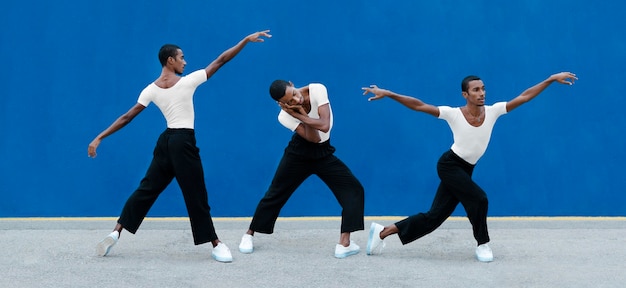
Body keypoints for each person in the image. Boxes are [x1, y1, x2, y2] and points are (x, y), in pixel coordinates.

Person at [87, 30, 272, 263]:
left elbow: (126, 117)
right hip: (183, 143)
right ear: (170, 60)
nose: (185, 62)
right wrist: (245, 40)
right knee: (196, 195)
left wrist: (99, 137)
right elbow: (221, 60)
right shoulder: (188, 82)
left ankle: (115, 232)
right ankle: (216, 244)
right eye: (181, 57)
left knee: (146, 189)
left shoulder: (150, 89)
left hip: (165, 143)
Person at [361, 72, 577, 262]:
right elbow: (419, 105)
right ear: (465, 94)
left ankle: (382, 232)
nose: (482, 93)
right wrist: (389, 93)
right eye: (476, 90)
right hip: (449, 165)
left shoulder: (493, 111)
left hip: (466, 169)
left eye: (483, 89)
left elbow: (525, 96)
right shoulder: (453, 114)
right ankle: (482, 244)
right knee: (479, 198)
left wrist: (549, 79)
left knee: (434, 217)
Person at [238, 80, 365, 258]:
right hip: (298, 154)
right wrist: (299, 116)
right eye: (289, 101)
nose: (296, 100)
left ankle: (344, 243)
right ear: (281, 104)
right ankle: (249, 234)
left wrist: (301, 115)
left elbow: (324, 125)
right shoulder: (283, 116)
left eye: (294, 94)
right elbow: (312, 138)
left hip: (324, 153)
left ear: (292, 84)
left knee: (353, 189)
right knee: (275, 193)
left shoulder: (317, 89)